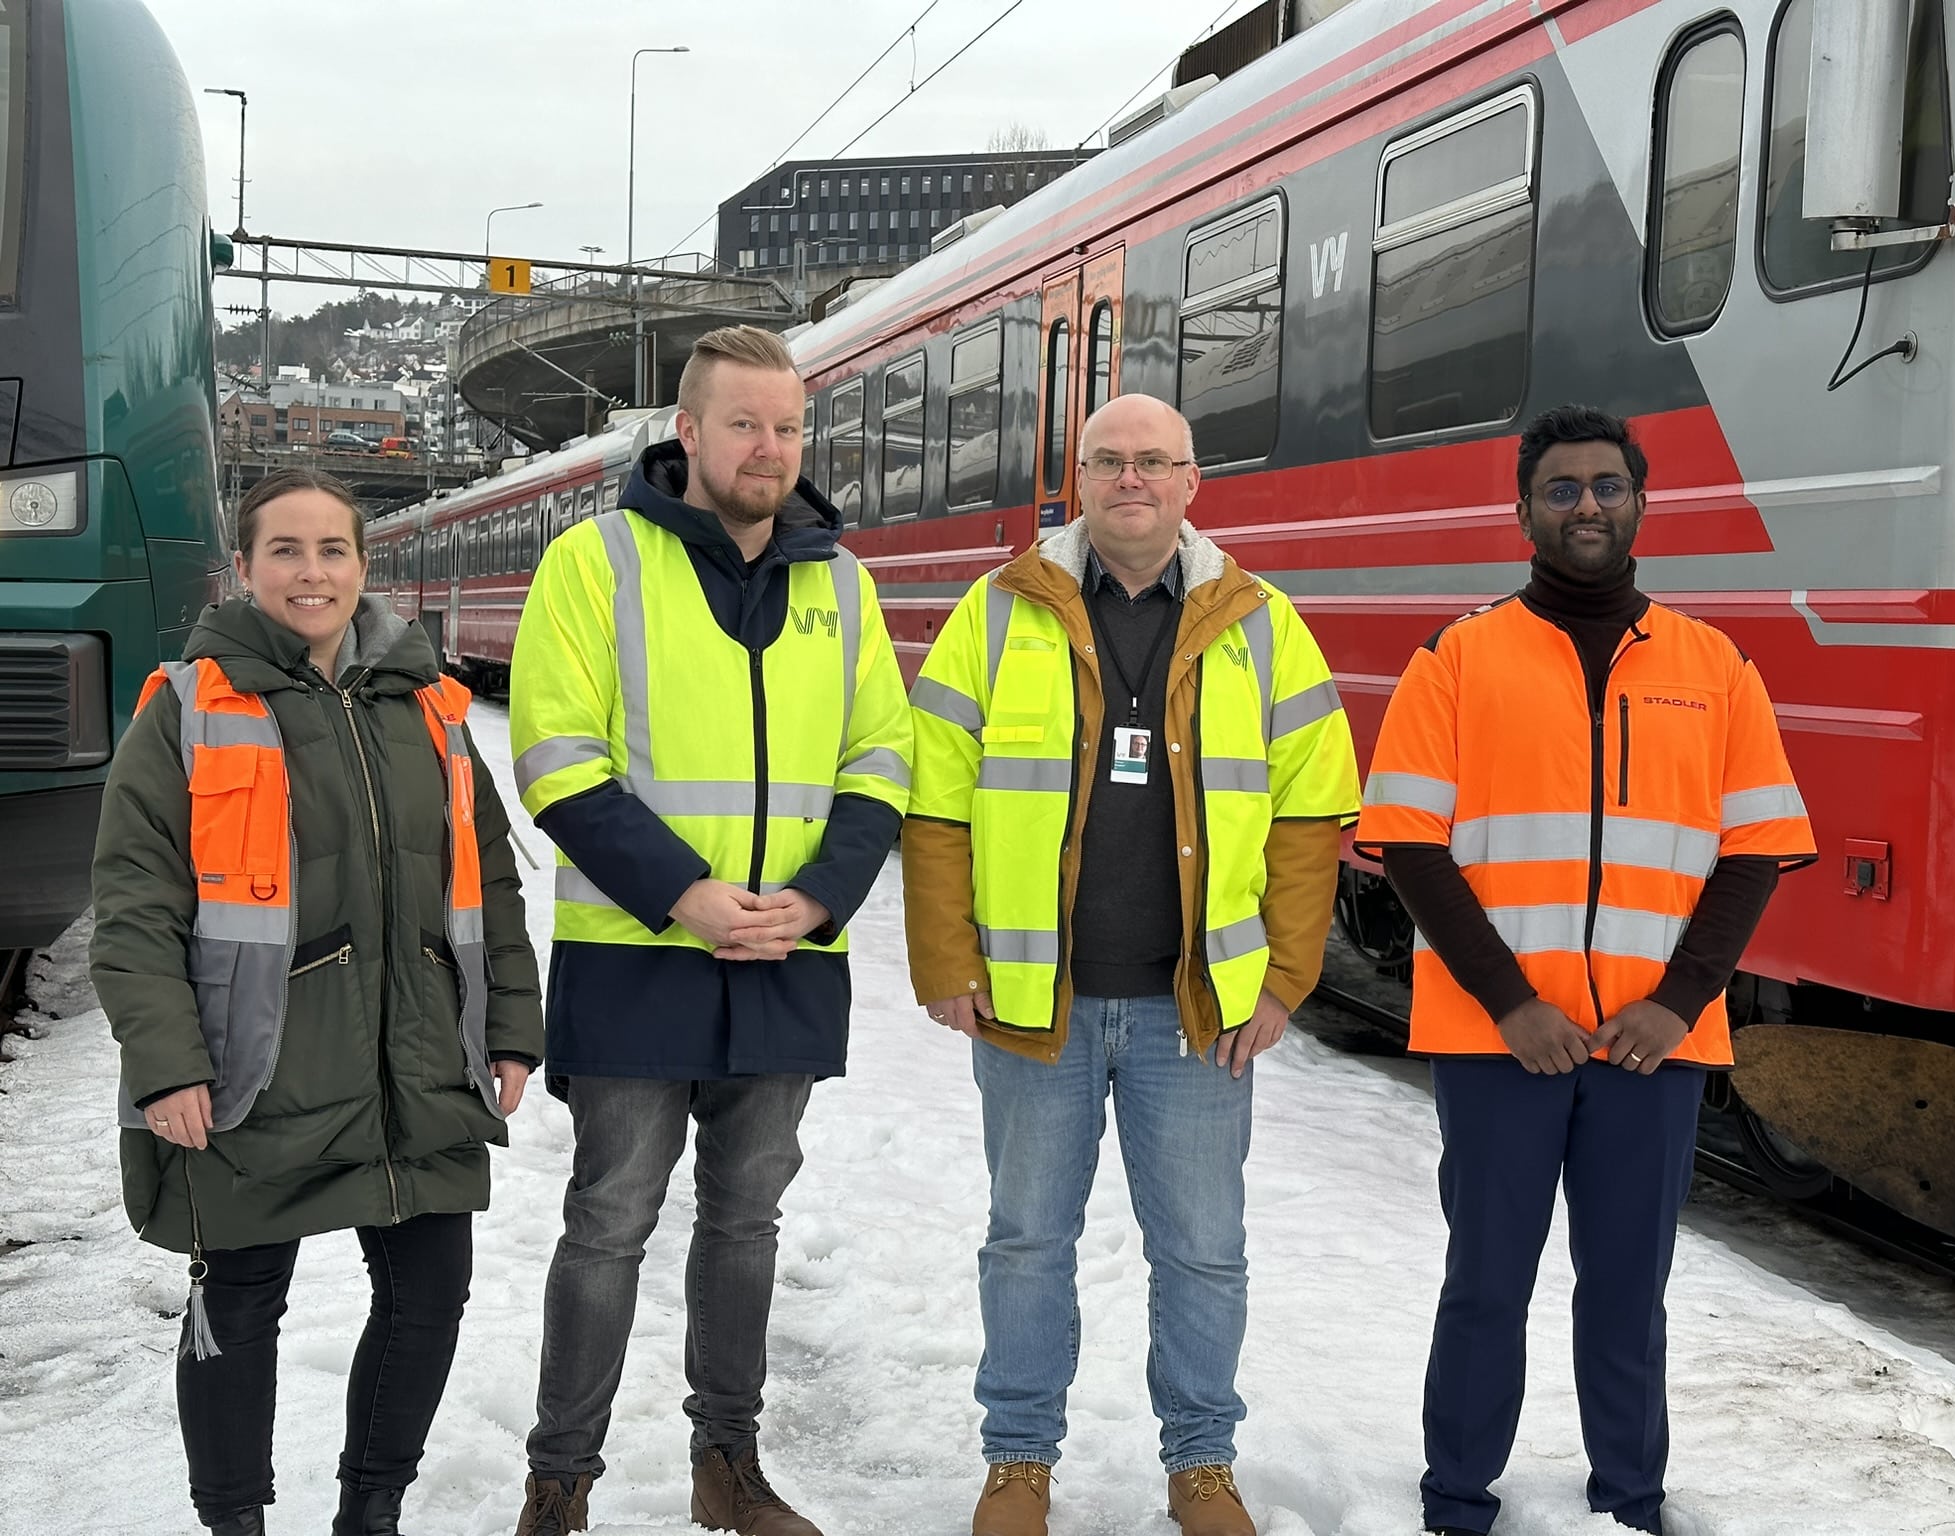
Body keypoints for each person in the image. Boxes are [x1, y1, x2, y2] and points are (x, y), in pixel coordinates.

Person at [1354, 405, 1816, 1536]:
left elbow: (1755, 852)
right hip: (1498, 1041)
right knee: (1484, 1287)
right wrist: (1509, 1004)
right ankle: (1455, 1498)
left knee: (1625, 1294)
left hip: (1645, 1049)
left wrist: (1672, 1005)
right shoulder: (1457, 656)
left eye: (1606, 486)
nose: (1585, 507)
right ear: (1521, 513)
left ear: (1640, 503)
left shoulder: (1713, 666)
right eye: (1559, 489)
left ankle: (1630, 1498)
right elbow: (1406, 843)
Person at [904, 393, 1360, 1536]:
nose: (1131, 480)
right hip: (1031, 1000)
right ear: (1078, 478)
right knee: (1024, 1243)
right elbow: (933, 800)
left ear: (1192, 483)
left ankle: (1201, 1465)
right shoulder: (997, 611)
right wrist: (943, 956)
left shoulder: (1259, 621)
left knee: (1203, 1253)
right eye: (1108, 460)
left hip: (1191, 1008)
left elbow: (1314, 812)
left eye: (1154, 462)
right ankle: (1017, 1462)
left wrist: (1286, 978)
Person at [509, 325, 913, 1536]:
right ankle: (559, 1480)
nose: (770, 449)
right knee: (609, 1222)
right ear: (686, 432)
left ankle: (724, 1469)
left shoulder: (840, 579)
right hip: (640, 956)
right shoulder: (593, 565)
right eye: (744, 424)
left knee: (746, 1225)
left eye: (788, 427)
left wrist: (821, 894)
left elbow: (881, 754)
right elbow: (554, 756)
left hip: (786, 960)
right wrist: (681, 891)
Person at [90, 467, 544, 1536]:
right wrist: (167, 1064)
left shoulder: (430, 709)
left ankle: (369, 1514)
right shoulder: (189, 707)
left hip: (417, 1059)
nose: (310, 571)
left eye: (331, 549)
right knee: (239, 1307)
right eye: (284, 551)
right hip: (254, 1067)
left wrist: (512, 1027)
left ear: (362, 565)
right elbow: (133, 904)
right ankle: (236, 1524)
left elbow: (492, 880)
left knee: (430, 1296)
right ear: (242, 570)